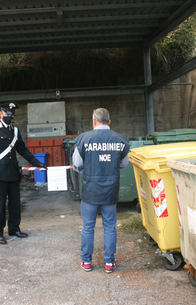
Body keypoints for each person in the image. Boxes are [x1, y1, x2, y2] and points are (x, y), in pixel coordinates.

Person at [72, 108, 130, 273]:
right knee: (110, 227)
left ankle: (86, 261)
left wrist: (88, 169)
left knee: (88, 226)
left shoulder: (84, 138)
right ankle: (109, 263)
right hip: (110, 190)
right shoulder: (120, 140)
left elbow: (77, 164)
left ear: (94, 121)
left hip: (90, 190)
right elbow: (124, 163)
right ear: (109, 122)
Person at [0, 102, 47, 245]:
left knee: (15, 204)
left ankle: (14, 228)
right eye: (7, 114)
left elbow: (22, 150)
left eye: (11, 114)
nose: (9, 116)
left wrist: (37, 163)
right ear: (1, 114)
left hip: (13, 173)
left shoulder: (15, 131)